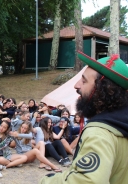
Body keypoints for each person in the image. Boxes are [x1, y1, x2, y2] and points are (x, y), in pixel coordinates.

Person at [39, 52, 128, 183]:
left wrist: (46, 181)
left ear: (103, 89)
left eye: (84, 81)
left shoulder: (99, 134)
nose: (76, 85)